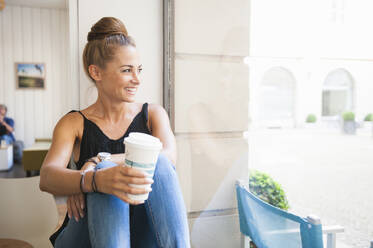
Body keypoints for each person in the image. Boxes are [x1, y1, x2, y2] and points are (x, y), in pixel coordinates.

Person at [39, 17, 190, 248]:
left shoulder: (153, 115)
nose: (137, 79)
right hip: (84, 236)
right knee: (104, 174)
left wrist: (96, 160)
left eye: (138, 70)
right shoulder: (73, 123)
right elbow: (47, 177)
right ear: (96, 72)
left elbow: (167, 160)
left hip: (141, 234)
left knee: (153, 162)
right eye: (127, 70)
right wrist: (91, 180)